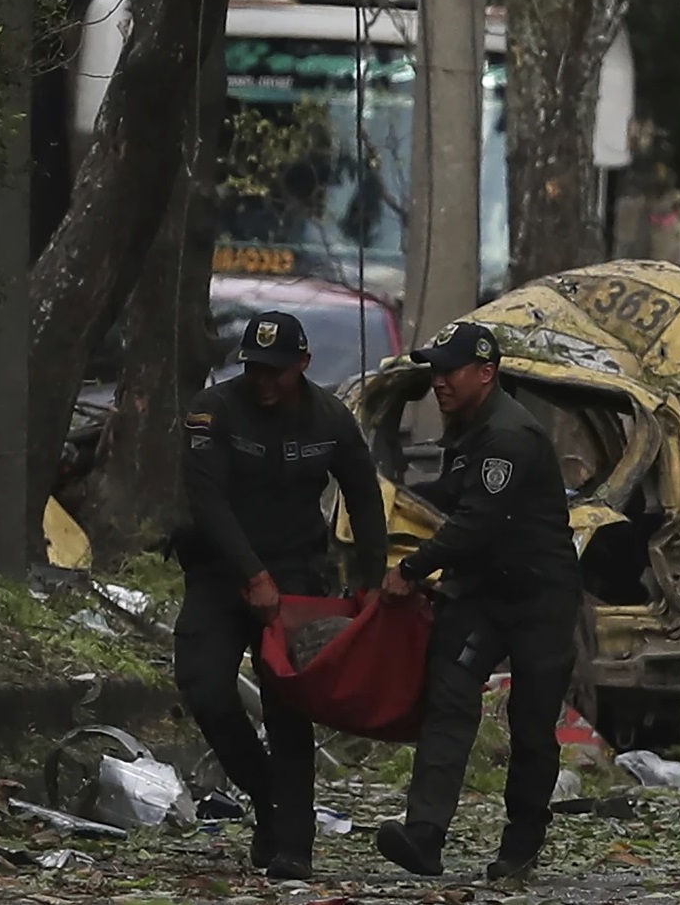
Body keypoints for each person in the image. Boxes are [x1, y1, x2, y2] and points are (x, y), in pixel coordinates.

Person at [171, 310, 388, 881]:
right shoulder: (213, 411)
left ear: (303, 364)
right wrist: (251, 575)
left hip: (297, 577)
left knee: (288, 709)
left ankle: (294, 843)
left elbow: (365, 496)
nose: (265, 381)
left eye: (277, 370)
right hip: (221, 573)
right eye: (255, 369)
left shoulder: (330, 418)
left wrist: (371, 579)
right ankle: (267, 797)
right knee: (204, 687)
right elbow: (207, 501)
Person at [373, 321, 582, 880]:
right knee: (448, 696)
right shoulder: (467, 427)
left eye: (450, 371)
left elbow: (476, 522)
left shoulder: (509, 435)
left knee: (531, 723)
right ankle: (424, 836)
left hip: (540, 597)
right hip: (483, 593)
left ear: (485, 372)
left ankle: (520, 848)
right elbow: (453, 496)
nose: (438, 381)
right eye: (434, 371)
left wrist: (411, 569)